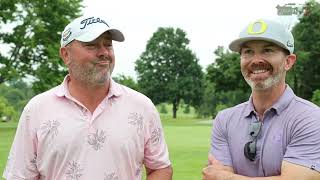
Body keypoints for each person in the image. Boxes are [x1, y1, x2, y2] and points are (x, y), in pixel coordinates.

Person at [3, 14, 172, 180]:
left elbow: (160, 168)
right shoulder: (37, 109)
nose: (104, 52)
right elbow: (19, 176)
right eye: (91, 46)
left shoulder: (142, 106)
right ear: (66, 55)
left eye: (108, 45)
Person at [202, 19, 320, 180]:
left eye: (267, 50)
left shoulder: (310, 118)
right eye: (248, 52)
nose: (256, 60)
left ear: (288, 61)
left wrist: (225, 177)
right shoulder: (224, 119)